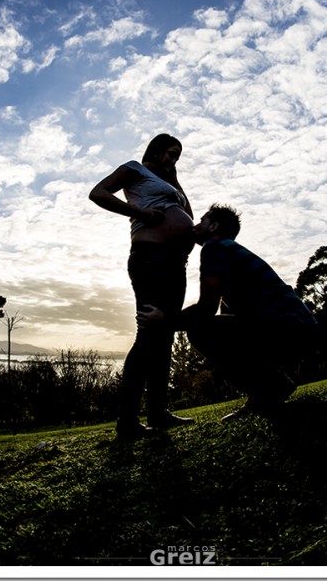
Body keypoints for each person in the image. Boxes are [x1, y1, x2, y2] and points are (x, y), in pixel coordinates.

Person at [138, 204, 317, 422]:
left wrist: (164, 321)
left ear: (213, 226)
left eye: (202, 221)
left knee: (200, 330)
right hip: (300, 329)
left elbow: (205, 310)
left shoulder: (215, 248)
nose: (195, 226)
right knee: (221, 327)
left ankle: (268, 391)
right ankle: (267, 391)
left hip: (289, 329)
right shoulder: (228, 249)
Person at [89, 134, 197, 438]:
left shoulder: (169, 183)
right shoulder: (135, 168)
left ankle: (158, 413)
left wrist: (176, 179)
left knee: (165, 337)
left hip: (177, 263)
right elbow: (98, 193)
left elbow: (188, 213)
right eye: (171, 153)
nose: (174, 159)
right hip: (151, 259)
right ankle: (127, 421)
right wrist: (140, 212)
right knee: (149, 335)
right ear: (157, 149)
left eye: (178, 156)